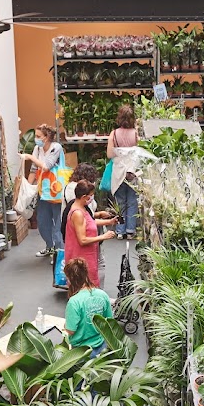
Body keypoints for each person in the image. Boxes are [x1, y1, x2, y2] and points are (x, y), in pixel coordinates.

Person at [21, 123, 66, 260]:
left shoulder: (56, 148)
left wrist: (29, 157)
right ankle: (49, 246)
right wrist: (28, 188)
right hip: (43, 191)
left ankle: (59, 253)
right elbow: (34, 170)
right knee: (42, 221)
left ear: (47, 137)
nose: (36, 139)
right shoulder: (37, 149)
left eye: (38, 136)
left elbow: (46, 166)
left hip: (56, 191)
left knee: (58, 223)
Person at [64, 181, 116, 287]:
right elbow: (82, 240)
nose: (92, 198)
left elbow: (89, 222)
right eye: (91, 195)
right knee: (85, 285)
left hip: (89, 255)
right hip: (82, 256)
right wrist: (103, 237)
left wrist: (109, 221)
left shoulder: (82, 208)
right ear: (84, 196)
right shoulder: (77, 213)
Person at [64, 258, 113, 355]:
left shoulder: (74, 302)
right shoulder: (102, 295)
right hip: (101, 346)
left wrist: (65, 326)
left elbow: (71, 330)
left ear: (71, 279)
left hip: (82, 351)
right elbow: (109, 320)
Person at [107, 104, 140, 240]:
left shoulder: (113, 134)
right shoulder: (136, 134)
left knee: (120, 201)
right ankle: (131, 230)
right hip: (132, 171)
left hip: (119, 171)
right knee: (132, 200)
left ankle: (120, 230)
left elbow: (109, 154)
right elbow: (140, 152)